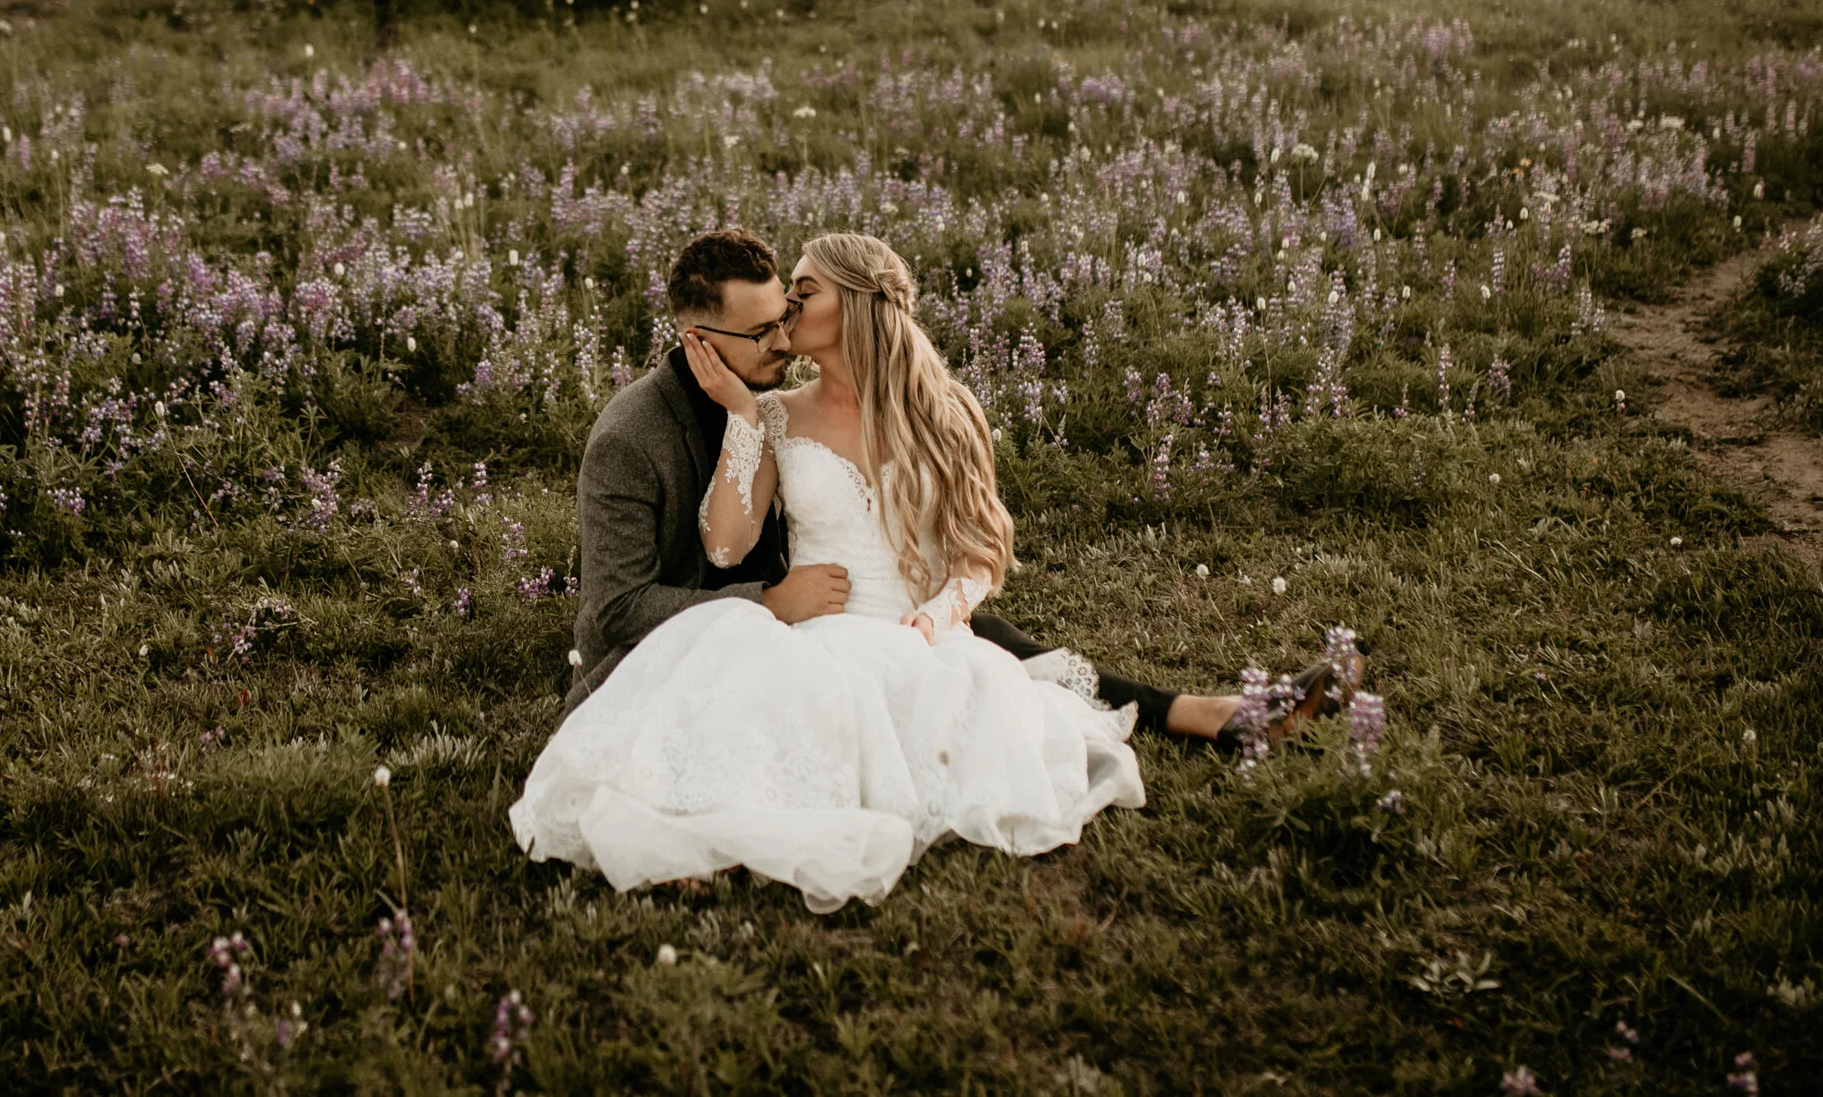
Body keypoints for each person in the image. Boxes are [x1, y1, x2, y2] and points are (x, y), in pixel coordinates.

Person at [513, 231, 1358, 911]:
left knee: (998, 680)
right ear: (705, 341)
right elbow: (723, 552)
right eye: (771, 317)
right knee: (778, 728)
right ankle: (704, 842)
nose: (787, 321)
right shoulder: (744, 416)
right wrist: (743, 425)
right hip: (802, 624)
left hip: (913, 625)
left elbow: (980, 547)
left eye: (802, 298)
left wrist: (943, 608)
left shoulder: (939, 409)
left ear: (858, 308)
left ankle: (1214, 711)